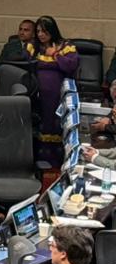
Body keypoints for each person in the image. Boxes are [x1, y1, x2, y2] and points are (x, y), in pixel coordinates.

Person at [28, 16, 79, 166]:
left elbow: (71, 66)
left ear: (52, 31)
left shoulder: (66, 46)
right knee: (39, 124)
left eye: (44, 31)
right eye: (38, 31)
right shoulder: (33, 46)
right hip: (37, 95)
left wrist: (55, 55)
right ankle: (38, 160)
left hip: (57, 95)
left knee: (55, 124)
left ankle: (56, 161)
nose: (40, 34)